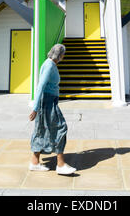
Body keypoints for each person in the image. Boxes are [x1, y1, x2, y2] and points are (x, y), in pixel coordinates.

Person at [29, 43, 76, 175]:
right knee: (61, 127)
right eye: (63, 54)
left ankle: (34, 162)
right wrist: (35, 108)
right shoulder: (49, 66)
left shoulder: (50, 64)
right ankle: (60, 165)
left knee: (42, 130)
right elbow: (40, 86)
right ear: (59, 54)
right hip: (47, 102)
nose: (64, 56)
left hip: (50, 100)